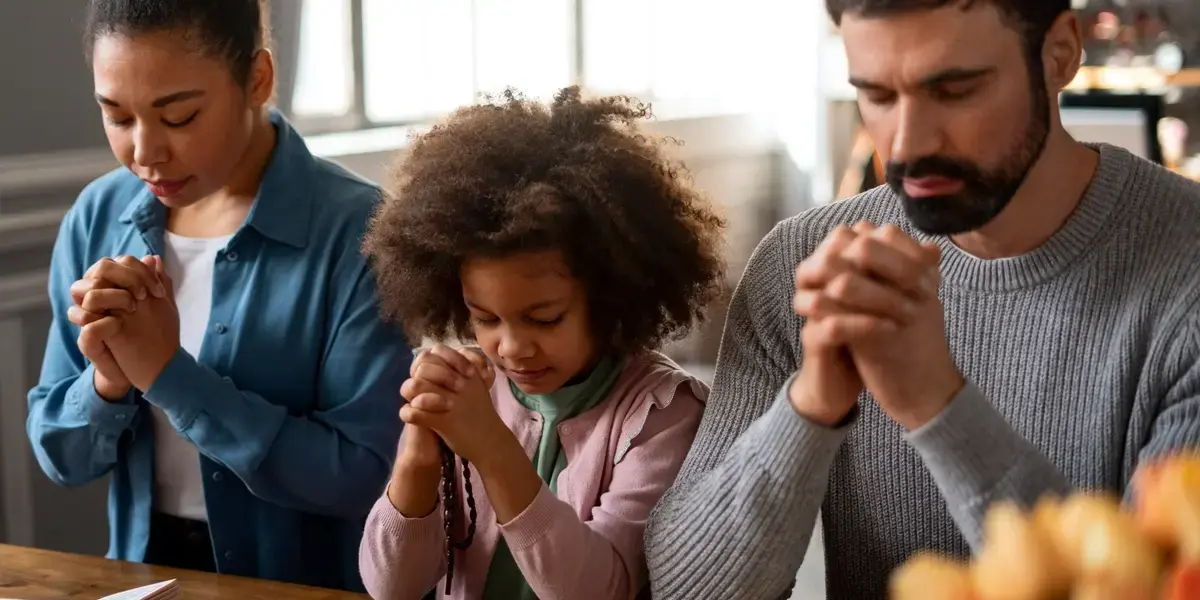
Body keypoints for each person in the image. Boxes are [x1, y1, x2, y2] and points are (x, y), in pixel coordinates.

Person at [643, 1, 1200, 598]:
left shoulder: (1186, 282)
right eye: (877, 95)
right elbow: (683, 590)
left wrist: (938, 405)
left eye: (955, 90)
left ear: (1059, 54)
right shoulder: (802, 263)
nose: (907, 144)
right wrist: (810, 403)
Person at [26, 0, 409, 591]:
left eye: (178, 117)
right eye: (118, 117)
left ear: (257, 79)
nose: (145, 152)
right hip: (142, 568)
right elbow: (62, 457)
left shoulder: (360, 233)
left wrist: (167, 374)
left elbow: (360, 475)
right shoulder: (97, 217)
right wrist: (106, 383)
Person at [357, 87, 724, 600]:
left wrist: (490, 446)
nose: (510, 348)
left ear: (612, 294)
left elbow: (601, 590)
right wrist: (419, 455)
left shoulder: (661, 415)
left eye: (544, 319)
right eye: (484, 318)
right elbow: (390, 587)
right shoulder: (469, 387)